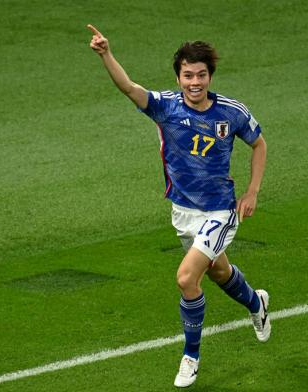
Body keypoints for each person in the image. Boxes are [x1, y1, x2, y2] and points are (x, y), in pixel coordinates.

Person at [87, 24, 270, 388]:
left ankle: (191, 356)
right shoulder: (165, 107)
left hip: (220, 212)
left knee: (187, 278)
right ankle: (256, 303)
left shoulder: (231, 112)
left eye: (201, 74)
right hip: (183, 213)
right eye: (188, 75)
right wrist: (106, 53)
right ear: (179, 76)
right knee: (218, 273)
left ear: (210, 76)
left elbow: (259, 145)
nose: (195, 81)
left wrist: (251, 193)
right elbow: (128, 88)